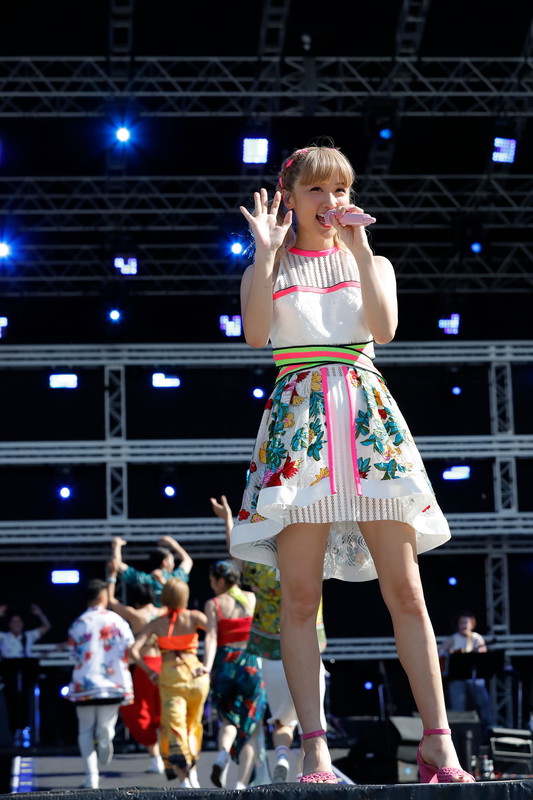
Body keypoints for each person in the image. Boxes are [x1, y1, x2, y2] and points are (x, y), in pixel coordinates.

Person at [229, 144, 474, 784]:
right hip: (299, 426)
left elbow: (384, 329)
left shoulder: (373, 261)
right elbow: (255, 335)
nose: (331, 201)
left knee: (407, 590)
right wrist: (265, 256)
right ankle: (314, 750)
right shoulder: (268, 265)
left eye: (339, 189)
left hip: (368, 422)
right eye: (316, 189)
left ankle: (438, 745)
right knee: (300, 596)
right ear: (289, 198)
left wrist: (362, 253)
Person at [211, 495, 328, 784]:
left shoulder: (261, 571)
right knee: (312, 723)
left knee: (281, 720)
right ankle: (305, 773)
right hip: (309, 650)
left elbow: (236, 553)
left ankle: (282, 757)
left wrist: (227, 519)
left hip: (272, 655)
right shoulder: (309, 565)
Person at [130, 577, 210, 788]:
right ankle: (193, 773)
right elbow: (215, 632)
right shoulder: (194, 617)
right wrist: (208, 663)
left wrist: (150, 672)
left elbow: (134, 651)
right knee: (193, 725)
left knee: (175, 728)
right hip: (197, 677)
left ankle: (184, 780)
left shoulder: (157, 623)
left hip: (171, 680)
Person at [201, 557, 267, 790]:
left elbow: (211, 637)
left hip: (224, 665)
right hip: (250, 664)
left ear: (221, 581)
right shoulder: (252, 598)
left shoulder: (214, 604)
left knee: (228, 718)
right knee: (249, 728)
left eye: (212, 580)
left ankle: (222, 755)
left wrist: (206, 666)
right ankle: (241, 785)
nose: (211, 584)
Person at [67, 579, 134, 789]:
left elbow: (73, 655)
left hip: (85, 684)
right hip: (112, 684)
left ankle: (91, 778)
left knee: (85, 730)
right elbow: (130, 648)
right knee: (107, 724)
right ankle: (106, 734)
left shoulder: (78, 623)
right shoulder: (117, 620)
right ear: (102, 597)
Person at [106, 561, 167, 774]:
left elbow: (111, 602)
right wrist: (163, 582)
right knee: (164, 709)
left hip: (144, 666)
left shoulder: (136, 614)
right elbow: (176, 600)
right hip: (163, 664)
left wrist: (112, 576)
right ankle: (165, 753)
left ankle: (155, 757)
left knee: (142, 710)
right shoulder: (164, 611)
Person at [0, 603, 51, 740]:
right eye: (13, 621)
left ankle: (25, 729)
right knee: (11, 700)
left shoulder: (28, 636)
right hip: (9, 671)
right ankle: (13, 730)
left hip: (25, 670)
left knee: (25, 699)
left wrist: (39, 614)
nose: (16, 624)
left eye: (18, 621)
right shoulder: (4, 637)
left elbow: (46, 627)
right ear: (9, 624)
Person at [439, 612, 493, 730]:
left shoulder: (476, 638)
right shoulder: (453, 638)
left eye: (466, 622)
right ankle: (458, 730)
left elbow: (484, 653)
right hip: (456, 677)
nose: (464, 625)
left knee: (483, 703)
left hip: (475, 677)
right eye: (461, 623)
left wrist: (480, 652)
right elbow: (440, 653)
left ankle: (487, 728)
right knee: (458, 705)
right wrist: (450, 653)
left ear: (472, 624)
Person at [110, 535, 193, 607]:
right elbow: (188, 561)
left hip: (150, 618)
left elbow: (117, 564)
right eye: (172, 561)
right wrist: (173, 543)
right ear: (165, 562)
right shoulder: (176, 579)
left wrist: (117, 546)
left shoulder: (143, 579)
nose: (173, 564)